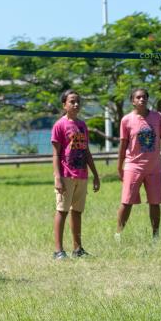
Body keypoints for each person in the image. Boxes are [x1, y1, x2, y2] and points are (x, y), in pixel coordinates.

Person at [116, 88, 161, 240]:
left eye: (144, 97)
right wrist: (120, 166)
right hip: (133, 166)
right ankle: (118, 234)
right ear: (133, 101)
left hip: (154, 167)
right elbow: (123, 144)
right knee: (127, 201)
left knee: (155, 202)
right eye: (138, 97)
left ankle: (155, 235)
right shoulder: (126, 120)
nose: (142, 99)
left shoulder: (157, 117)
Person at [50, 89, 101, 260]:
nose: (76, 104)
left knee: (77, 211)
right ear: (64, 104)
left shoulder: (82, 125)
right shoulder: (60, 125)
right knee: (62, 211)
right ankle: (58, 251)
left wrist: (95, 174)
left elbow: (86, 151)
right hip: (66, 174)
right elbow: (56, 153)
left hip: (81, 174)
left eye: (78, 101)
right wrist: (57, 177)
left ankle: (78, 249)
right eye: (72, 101)